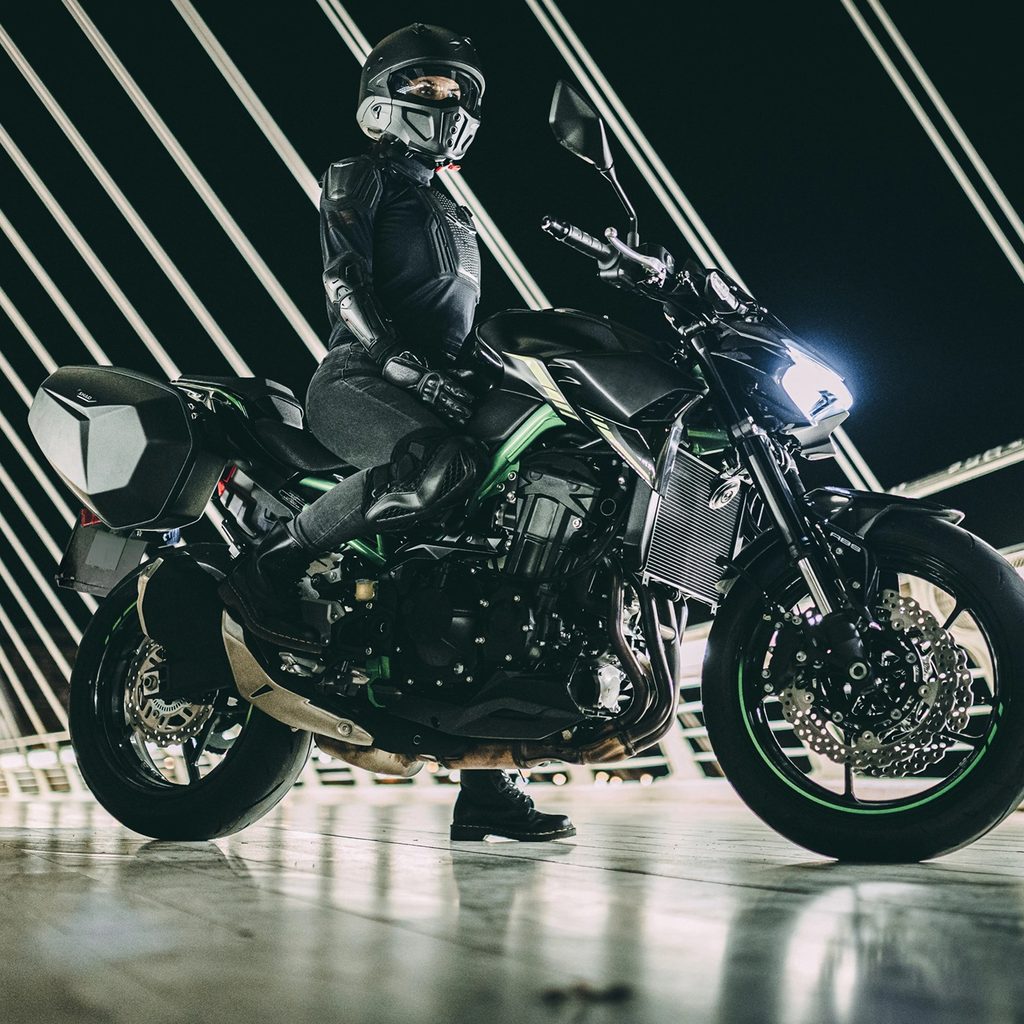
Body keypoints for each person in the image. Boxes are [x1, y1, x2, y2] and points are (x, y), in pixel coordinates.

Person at [221, 23, 575, 843]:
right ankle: (274, 562)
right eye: (426, 85)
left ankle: (487, 789)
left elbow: (460, 329)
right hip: (358, 379)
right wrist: (402, 365)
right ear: (383, 98)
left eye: (456, 90)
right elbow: (343, 285)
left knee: (498, 547)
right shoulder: (361, 175)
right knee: (437, 463)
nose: (444, 100)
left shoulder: (453, 210)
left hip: (437, 386)